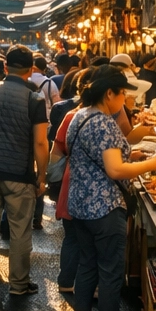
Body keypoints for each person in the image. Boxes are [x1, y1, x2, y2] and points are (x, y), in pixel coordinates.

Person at [66, 67, 156, 311]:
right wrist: (153, 164)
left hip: (80, 204)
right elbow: (115, 169)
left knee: (87, 263)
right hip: (104, 206)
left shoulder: (80, 115)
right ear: (109, 93)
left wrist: (134, 154)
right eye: (122, 93)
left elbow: (101, 156)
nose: (125, 98)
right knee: (110, 270)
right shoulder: (103, 122)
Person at [0, 45, 49, 296]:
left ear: (5, 67)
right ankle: (18, 283)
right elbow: (39, 142)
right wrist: (41, 176)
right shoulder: (34, 98)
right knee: (20, 231)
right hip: (19, 174)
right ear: (31, 70)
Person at [50, 67, 92, 296]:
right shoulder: (97, 118)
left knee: (72, 236)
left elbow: (56, 152)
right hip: (84, 186)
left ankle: (66, 280)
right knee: (85, 239)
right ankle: (84, 287)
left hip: (69, 179)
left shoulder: (69, 115)